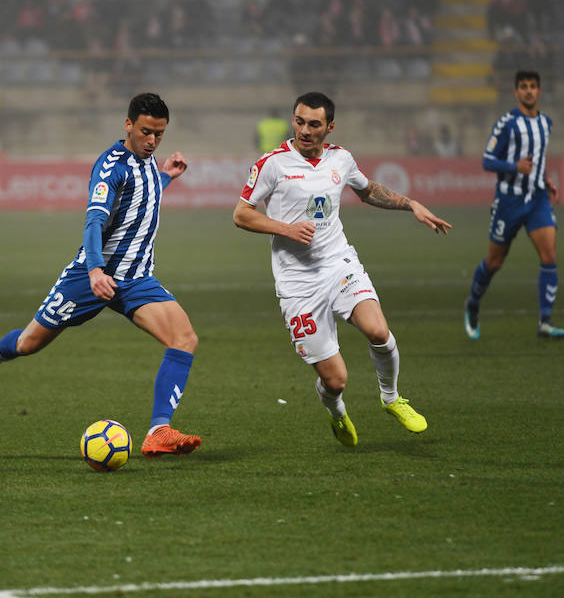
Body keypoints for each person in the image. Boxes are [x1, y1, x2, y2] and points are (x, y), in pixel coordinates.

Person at [0, 93, 202, 458]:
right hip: (91, 276)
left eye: (159, 135)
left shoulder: (149, 162)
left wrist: (166, 176)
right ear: (128, 125)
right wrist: (93, 271)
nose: (152, 141)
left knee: (184, 338)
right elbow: (94, 222)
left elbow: (142, 198)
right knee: (30, 343)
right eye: (146, 132)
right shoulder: (111, 166)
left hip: (136, 279)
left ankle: (158, 431)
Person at [233, 92, 452, 447]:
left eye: (314, 124)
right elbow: (241, 214)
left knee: (379, 331)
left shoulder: (341, 159)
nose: (305, 130)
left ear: (329, 127)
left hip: (338, 263)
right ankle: (336, 411)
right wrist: (286, 228)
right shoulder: (272, 163)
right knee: (336, 380)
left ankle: (392, 398)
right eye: (299, 121)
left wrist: (411, 204)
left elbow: (366, 191)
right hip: (297, 283)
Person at [465, 70, 562, 339]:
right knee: (495, 262)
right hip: (509, 201)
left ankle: (544, 321)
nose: (529, 91)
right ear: (516, 92)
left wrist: (545, 178)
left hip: (538, 199)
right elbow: (487, 160)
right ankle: (472, 304)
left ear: (539, 91)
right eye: (523, 87)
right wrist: (515, 167)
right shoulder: (507, 124)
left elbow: (537, 157)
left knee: (549, 256)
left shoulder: (546, 123)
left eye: (533, 86)